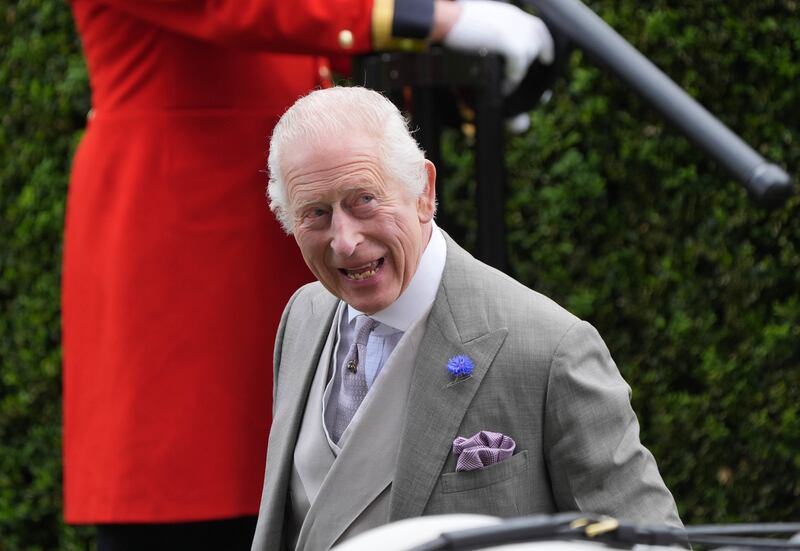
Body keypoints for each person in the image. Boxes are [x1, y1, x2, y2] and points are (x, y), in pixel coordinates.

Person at [61, 0, 555, 548]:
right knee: (195, 496)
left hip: (283, 229)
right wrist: (427, 14)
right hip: (188, 249)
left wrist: (459, 74)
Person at [251, 86, 683, 551]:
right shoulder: (304, 314)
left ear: (423, 191)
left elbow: (652, 544)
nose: (344, 241)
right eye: (316, 214)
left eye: (364, 201)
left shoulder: (548, 348)